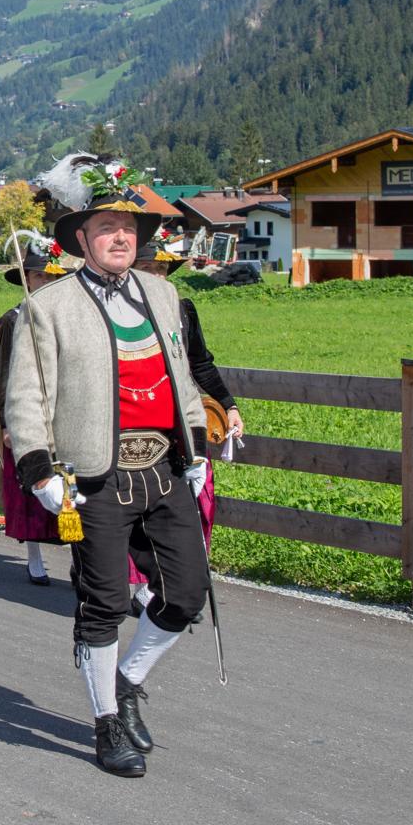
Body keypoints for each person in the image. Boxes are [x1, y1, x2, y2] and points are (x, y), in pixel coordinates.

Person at [4, 155, 211, 777]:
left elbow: (184, 381)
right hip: (95, 477)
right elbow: (26, 397)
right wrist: (39, 468)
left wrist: (195, 447)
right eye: (106, 228)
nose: (121, 237)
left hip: (164, 470)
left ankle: (127, 679)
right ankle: (104, 723)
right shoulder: (50, 307)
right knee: (105, 603)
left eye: (128, 227)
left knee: (185, 595)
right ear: (82, 240)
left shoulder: (166, 294)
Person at [128, 235, 242, 613]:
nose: (157, 276)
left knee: (197, 500)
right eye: (148, 269)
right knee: (142, 502)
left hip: (184, 418)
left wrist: (229, 406)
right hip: (139, 418)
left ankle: (179, 579)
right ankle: (144, 583)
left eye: (162, 269)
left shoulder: (183, 309)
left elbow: (201, 364)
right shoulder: (119, 312)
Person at [0, 231, 69, 585]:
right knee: (32, 486)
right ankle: (34, 555)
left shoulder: (70, 316)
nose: (46, 281)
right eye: (38, 275)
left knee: (72, 486)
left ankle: (81, 555)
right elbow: (4, 376)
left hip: (65, 415)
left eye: (52, 275)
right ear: (26, 279)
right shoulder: (12, 320)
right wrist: (7, 422)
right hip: (29, 413)